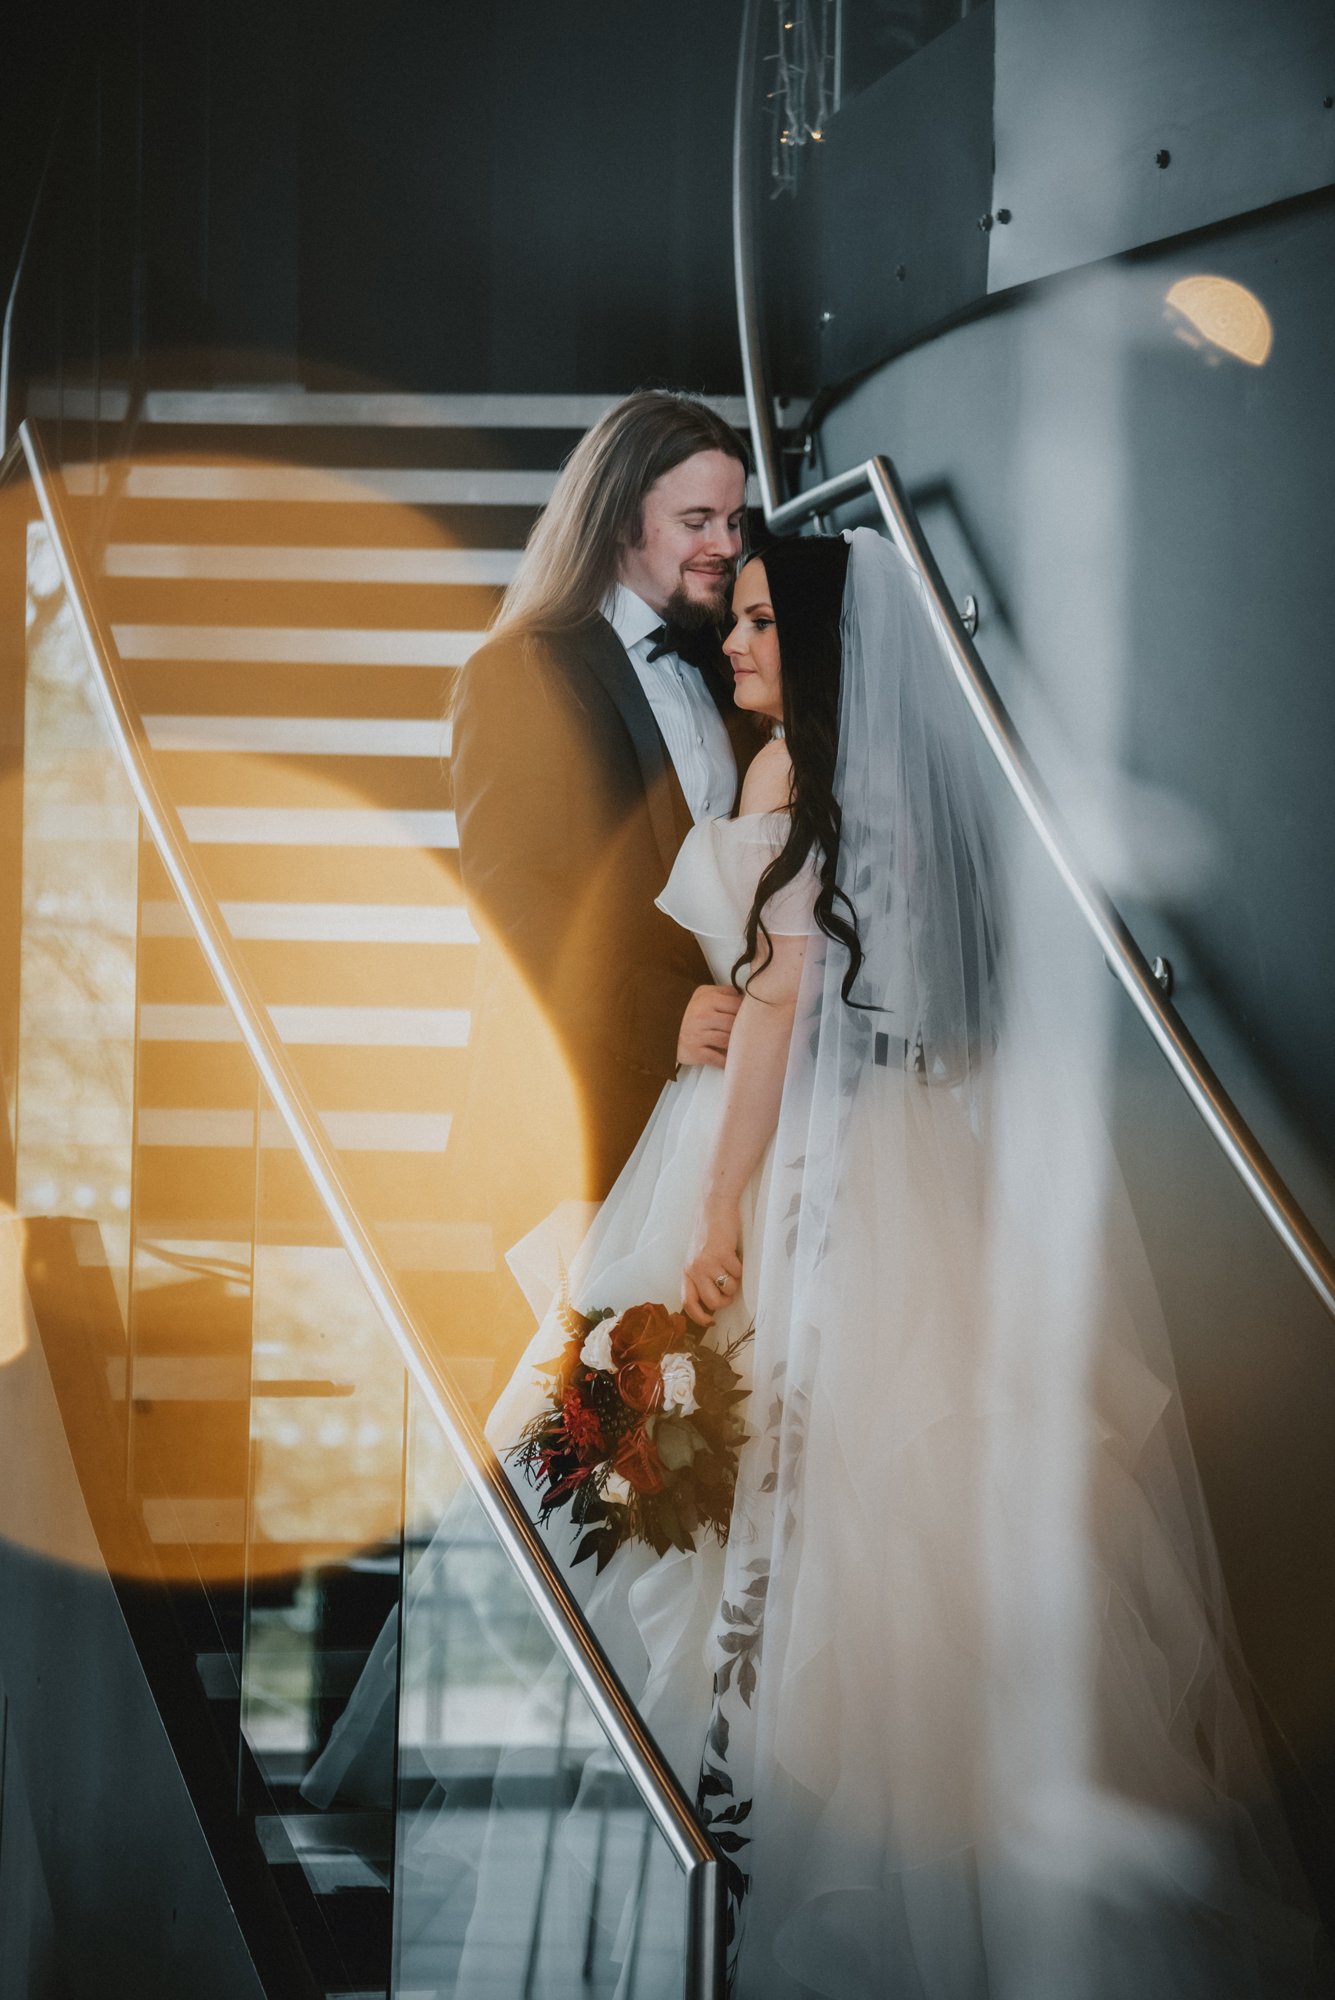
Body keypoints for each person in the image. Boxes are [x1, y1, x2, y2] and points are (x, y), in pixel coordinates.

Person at [318, 528, 1323, 1997]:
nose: (732, 647)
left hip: (774, 1159)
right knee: (892, 1522)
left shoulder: (790, 781)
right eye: (732, 624)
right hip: (910, 1160)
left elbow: (782, 1019)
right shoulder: (893, 798)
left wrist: (716, 1207)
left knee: (728, 1517)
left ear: (827, 651)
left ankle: (696, 1887)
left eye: (761, 628)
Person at [449, 389, 761, 1221]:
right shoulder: (518, 671)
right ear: (625, 520)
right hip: (571, 1115)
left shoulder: (727, 669)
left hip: (704, 1111)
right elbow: (509, 897)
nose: (724, 546)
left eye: (734, 522)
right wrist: (664, 1014)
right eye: (697, 521)